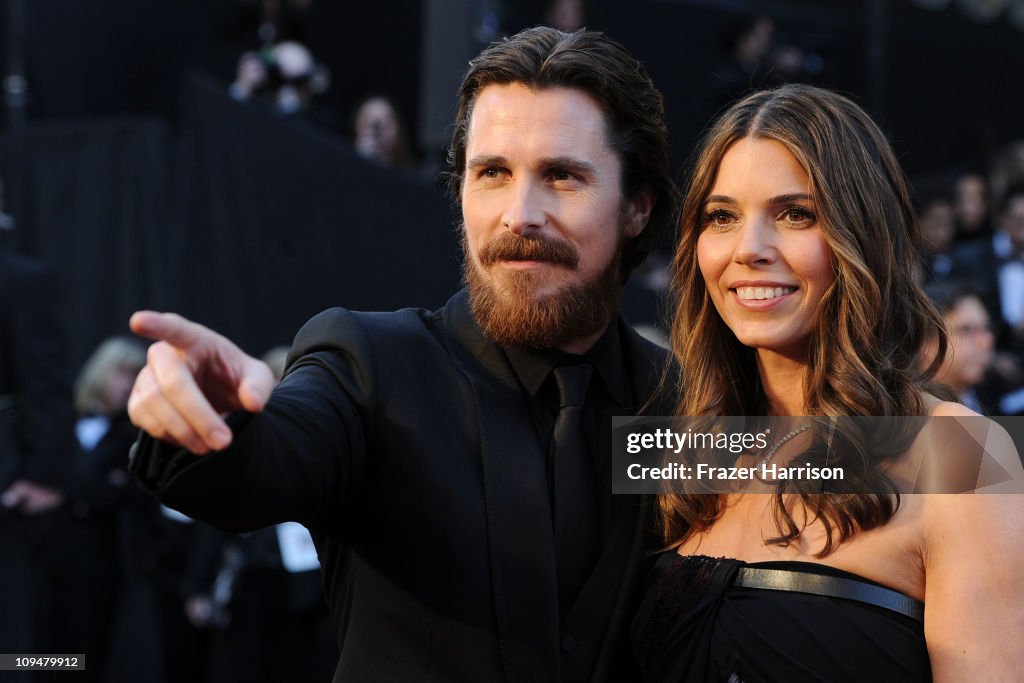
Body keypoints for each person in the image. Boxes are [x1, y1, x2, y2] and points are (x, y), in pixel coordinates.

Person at [128, 26, 678, 682]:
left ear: (638, 207)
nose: (519, 214)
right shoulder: (372, 367)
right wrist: (220, 421)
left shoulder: (681, 403)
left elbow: (816, 505)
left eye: (562, 176)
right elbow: (269, 460)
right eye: (492, 174)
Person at [631, 84, 1024, 681]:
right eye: (722, 216)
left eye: (796, 214)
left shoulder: (959, 454)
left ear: (862, 237)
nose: (750, 249)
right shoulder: (676, 450)